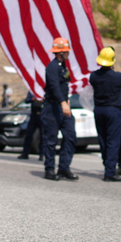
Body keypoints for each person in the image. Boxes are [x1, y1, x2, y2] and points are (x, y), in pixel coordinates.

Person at [89, 47, 121, 182]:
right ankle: (110, 172)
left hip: (98, 110)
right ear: (112, 61)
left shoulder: (94, 76)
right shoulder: (118, 77)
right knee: (113, 141)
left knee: (102, 140)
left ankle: (107, 164)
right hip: (113, 111)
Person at [41, 37, 77, 181]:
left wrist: (66, 100)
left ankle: (64, 168)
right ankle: (49, 170)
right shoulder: (52, 67)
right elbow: (54, 86)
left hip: (63, 105)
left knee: (70, 137)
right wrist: (63, 103)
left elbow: (64, 86)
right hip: (53, 107)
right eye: (66, 51)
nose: (69, 53)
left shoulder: (63, 66)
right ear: (60, 53)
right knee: (51, 140)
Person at [17, 90, 43, 160]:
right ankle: (25, 153)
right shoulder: (33, 89)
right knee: (28, 134)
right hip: (34, 115)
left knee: (43, 136)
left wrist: (42, 100)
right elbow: (27, 100)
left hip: (42, 115)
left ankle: (42, 154)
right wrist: (33, 99)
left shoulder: (44, 89)